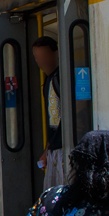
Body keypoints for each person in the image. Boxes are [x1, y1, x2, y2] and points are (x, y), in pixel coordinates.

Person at [32, 36, 65, 188]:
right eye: (37, 58)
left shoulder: (62, 78)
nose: (40, 62)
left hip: (66, 149)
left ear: (56, 53)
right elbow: (54, 122)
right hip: (54, 151)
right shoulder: (48, 81)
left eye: (44, 56)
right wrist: (47, 150)